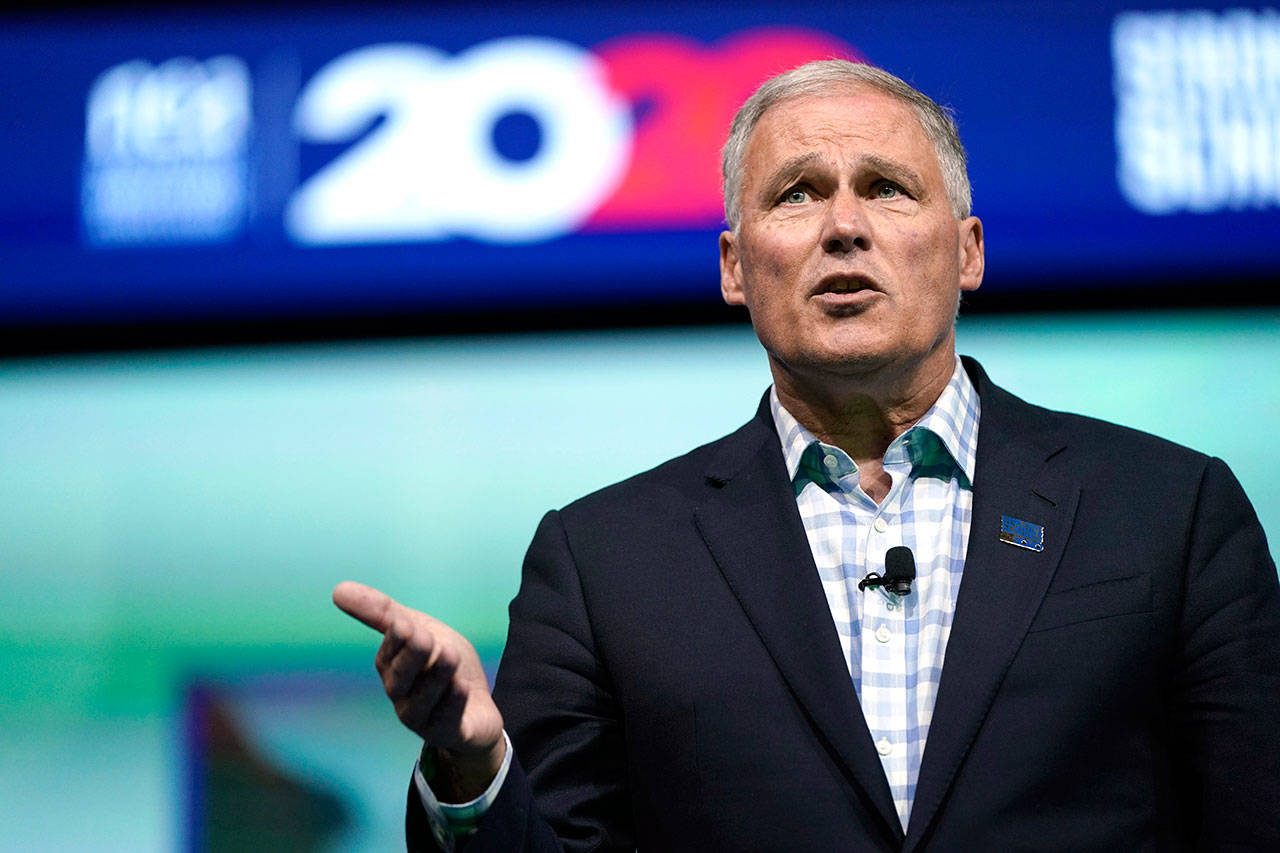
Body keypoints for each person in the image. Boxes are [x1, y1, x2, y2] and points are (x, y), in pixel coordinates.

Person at [333, 60, 1280, 851]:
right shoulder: (601, 562)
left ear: (968, 252)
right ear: (735, 268)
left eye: (886, 188)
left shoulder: (1170, 511)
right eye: (796, 195)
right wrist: (471, 765)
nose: (842, 225)